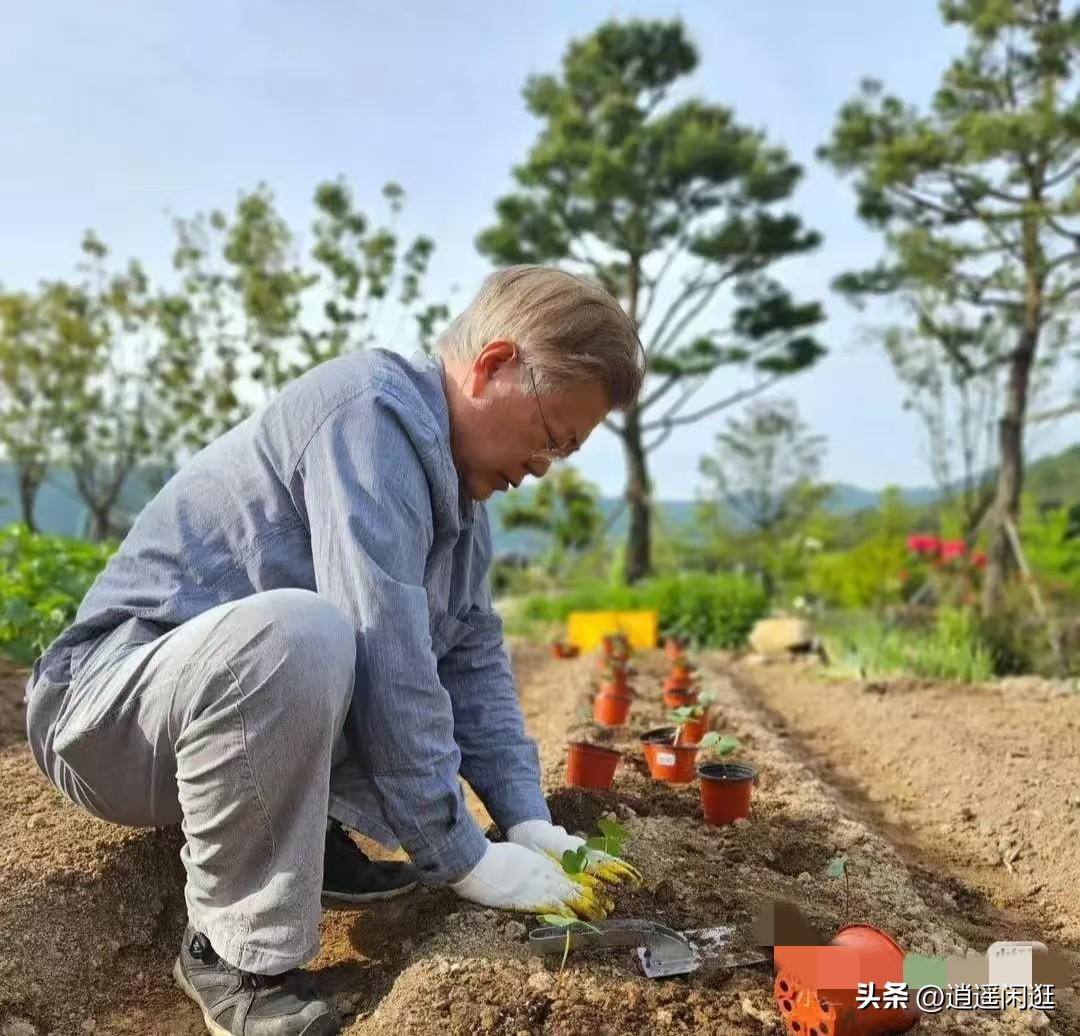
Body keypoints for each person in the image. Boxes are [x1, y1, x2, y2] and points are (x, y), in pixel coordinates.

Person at [25, 265, 646, 1036]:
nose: (544, 467)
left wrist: (526, 820)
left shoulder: (463, 511)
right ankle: (232, 955)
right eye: (552, 437)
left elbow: (474, 662)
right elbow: (383, 644)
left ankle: (305, 840)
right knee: (310, 632)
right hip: (103, 718)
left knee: (340, 642)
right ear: (492, 367)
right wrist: (462, 855)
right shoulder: (367, 415)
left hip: (197, 721)